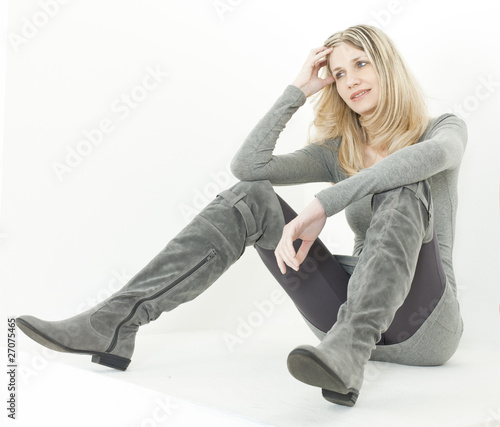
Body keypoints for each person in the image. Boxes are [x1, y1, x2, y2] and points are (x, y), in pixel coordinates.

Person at [16, 24, 467, 407]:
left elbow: (419, 162)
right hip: (339, 324)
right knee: (250, 196)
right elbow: (249, 167)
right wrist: (299, 89)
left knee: (401, 185)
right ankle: (116, 321)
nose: (351, 80)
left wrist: (323, 204)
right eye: (338, 72)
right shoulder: (339, 152)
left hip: (422, 323)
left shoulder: (442, 130)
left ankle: (350, 350)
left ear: (386, 64)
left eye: (362, 64)